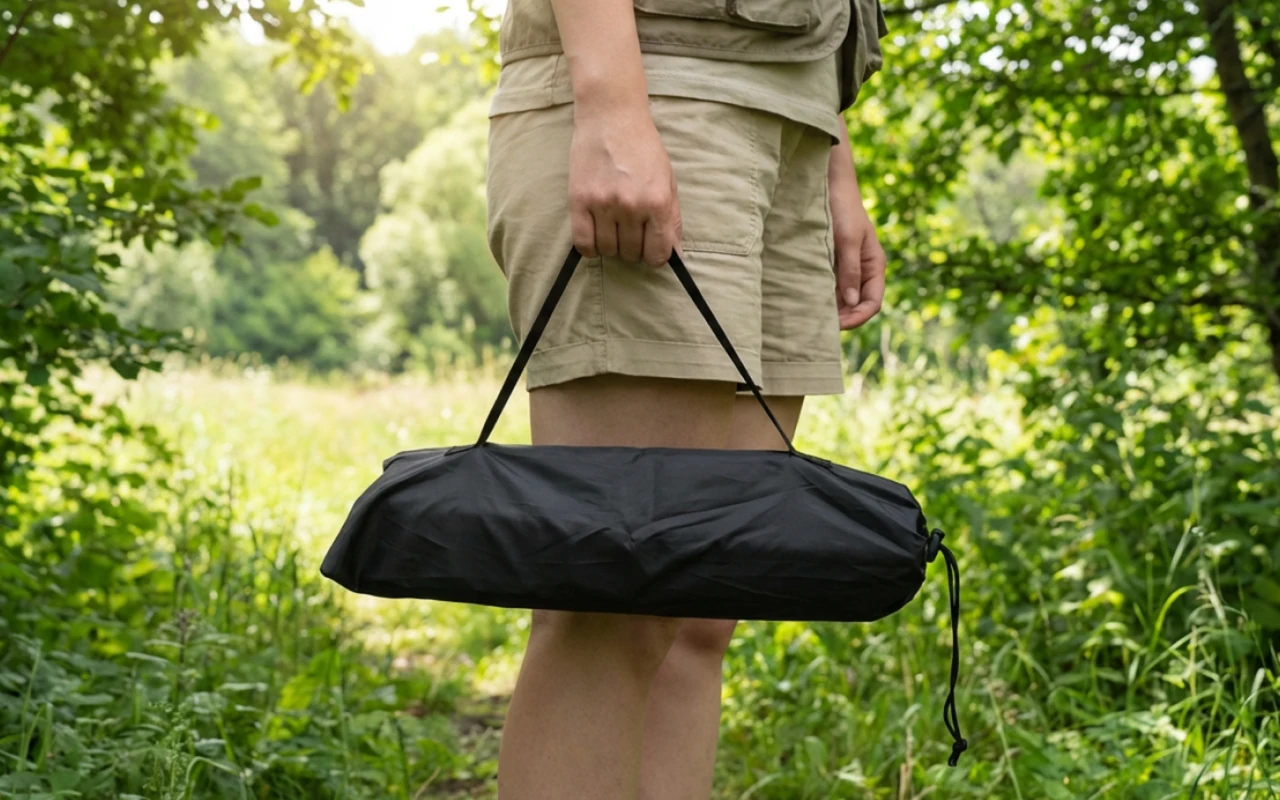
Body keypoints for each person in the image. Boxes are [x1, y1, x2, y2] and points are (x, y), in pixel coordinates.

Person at [485, 0, 888, 795]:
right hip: (663, 89)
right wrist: (612, 107)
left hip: (793, 120)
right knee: (616, 605)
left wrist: (833, 158)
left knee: (699, 614)